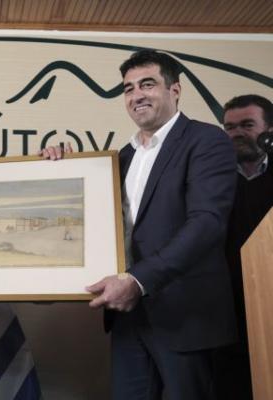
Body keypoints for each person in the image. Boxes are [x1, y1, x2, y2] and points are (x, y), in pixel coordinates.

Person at [41, 50, 237, 400]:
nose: (136, 95)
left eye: (147, 84)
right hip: (128, 315)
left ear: (175, 90)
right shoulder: (122, 157)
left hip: (185, 316)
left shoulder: (207, 140)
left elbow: (207, 224)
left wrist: (138, 280)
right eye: (128, 88)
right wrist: (63, 170)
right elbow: (98, 224)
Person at [214, 94, 273, 400]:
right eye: (229, 127)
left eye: (247, 125)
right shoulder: (209, 180)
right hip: (224, 312)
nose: (236, 133)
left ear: (269, 130)